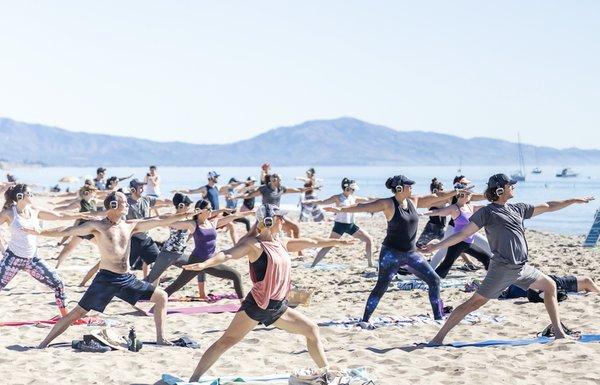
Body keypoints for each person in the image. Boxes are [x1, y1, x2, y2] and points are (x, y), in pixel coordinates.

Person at [182, 204, 355, 382]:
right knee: (226, 341)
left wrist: (338, 242)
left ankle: (326, 374)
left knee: (311, 330)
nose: (284, 221)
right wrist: (204, 265)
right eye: (281, 218)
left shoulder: (282, 242)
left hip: (277, 306)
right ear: (270, 220)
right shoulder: (254, 245)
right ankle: (194, 379)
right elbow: (227, 254)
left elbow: (313, 241)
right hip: (257, 305)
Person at [420, 173, 595, 343]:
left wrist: (573, 200)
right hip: (502, 269)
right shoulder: (487, 213)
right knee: (473, 304)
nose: (512, 187)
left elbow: (548, 206)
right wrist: (435, 247)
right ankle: (437, 339)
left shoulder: (517, 209)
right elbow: (463, 233)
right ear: (499, 191)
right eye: (509, 185)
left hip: (521, 268)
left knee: (549, 286)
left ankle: (559, 333)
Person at [30, 191, 195, 348]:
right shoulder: (98, 226)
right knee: (77, 313)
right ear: (114, 205)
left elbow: (160, 219)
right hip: (106, 279)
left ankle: (161, 339)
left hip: (127, 278)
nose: (127, 204)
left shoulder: (130, 225)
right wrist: (40, 232)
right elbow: (67, 231)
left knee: (162, 296)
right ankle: (43, 344)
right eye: (124, 201)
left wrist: (187, 215)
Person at [325, 175, 465, 321]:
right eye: (408, 185)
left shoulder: (414, 201)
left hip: (411, 254)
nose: (411, 188)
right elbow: (362, 207)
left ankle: (438, 317)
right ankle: (365, 320)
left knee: (434, 280)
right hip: (391, 254)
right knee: (381, 287)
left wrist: (456, 191)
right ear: (399, 188)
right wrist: (340, 208)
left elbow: (438, 196)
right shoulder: (388, 204)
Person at [0, 184, 93, 317]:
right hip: (12, 258)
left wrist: (83, 215)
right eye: (29, 193)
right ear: (20, 196)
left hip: (32, 259)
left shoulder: (34, 210)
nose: (32, 196)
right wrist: (2, 247)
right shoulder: (9, 213)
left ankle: (65, 317)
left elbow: (59, 215)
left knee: (58, 284)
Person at [161, 198, 255, 299]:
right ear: (200, 211)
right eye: (209, 209)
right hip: (196, 261)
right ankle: (156, 302)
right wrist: (157, 220)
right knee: (176, 286)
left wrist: (251, 212)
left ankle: (243, 304)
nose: (211, 211)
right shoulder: (193, 224)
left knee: (236, 275)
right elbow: (170, 223)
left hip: (210, 261)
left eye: (211, 208)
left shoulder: (212, 223)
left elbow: (233, 216)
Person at [421, 186, 491, 278]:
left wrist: (496, 202)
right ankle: (432, 280)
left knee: (486, 258)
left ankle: (492, 276)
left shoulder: (471, 207)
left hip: (468, 243)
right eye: (461, 194)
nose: (463, 196)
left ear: (469, 197)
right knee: (446, 265)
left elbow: (486, 208)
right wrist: (422, 213)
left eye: (466, 194)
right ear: (458, 195)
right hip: (457, 243)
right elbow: (438, 211)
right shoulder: (454, 208)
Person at [305, 178, 374, 267]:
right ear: (347, 188)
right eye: (352, 189)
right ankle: (313, 265)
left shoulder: (354, 198)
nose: (353, 191)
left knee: (369, 240)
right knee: (328, 245)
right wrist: (310, 201)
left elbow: (368, 199)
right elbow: (323, 202)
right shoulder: (337, 197)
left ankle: (370, 264)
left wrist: (386, 200)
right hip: (339, 226)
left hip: (351, 226)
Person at [238, 173, 309, 246]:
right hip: (265, 216)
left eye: (281, 180)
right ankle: (237, 246)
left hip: (277, 215)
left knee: (295, 228)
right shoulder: (264, 189)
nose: (280, 182)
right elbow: (249, 195)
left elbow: (296, 190)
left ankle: (299, 251)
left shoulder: (281, 188)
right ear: (273, 180)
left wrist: (306, 189)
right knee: (250, 235)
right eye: (279, 180)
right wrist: (235, 197)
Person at [175, 171, 242, 243]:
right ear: (211, 178)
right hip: (207, 215)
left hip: (216, 215)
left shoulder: (216, 188)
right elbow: (191, 191)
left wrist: (229, 194)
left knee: (231, 225)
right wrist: (179, 190)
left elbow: (225, 190)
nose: (217, 178)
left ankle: (236, 244)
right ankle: (181, 242)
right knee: (194, 232)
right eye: (216, 177)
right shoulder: (205, 189)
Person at [126, 178, 171, 275]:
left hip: (146, 238)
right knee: (127, 265)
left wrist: (170, 202)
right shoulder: (126, 204)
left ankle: (148, 280)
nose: (142, 190)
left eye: (143, 187)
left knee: (158, 260)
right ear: (133, 190)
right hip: (132, 239)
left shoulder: (146, 199)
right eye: (140, 188)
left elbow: (161, 201)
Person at [55, 184, 105, 268]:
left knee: (103, 246)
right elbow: (67, 207)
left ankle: (105, 264)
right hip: (81, 229)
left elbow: (105, 202)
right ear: (87, 192)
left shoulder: (94, 201)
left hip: (92, 229)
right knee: (70, 248)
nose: (96, 193)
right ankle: (57, 266)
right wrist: (54, 210)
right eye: (94, 192)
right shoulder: (80, 202)